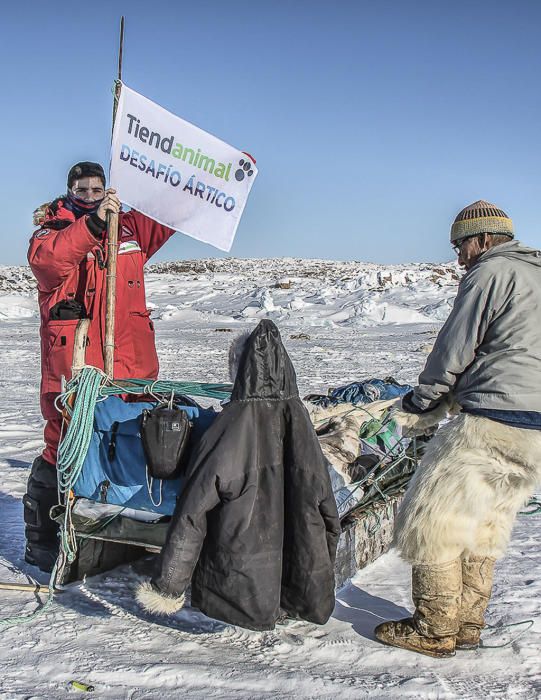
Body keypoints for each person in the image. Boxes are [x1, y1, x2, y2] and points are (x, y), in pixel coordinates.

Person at [374, 200, 541, 657]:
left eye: (460, 245)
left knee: (434, 519)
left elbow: (455, 346)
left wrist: (423, 402)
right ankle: (468, 623)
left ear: (483, 239)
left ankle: (434, 628)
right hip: (534, 430)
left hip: (490, 420)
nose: (458, 257)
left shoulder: (489, 274)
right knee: (487, 520)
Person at [24, 161, 176, 572]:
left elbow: (170, 212)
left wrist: (206, 181)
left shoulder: (129, 228)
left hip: (130, 354)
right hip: (77, 353)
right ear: (71, 190)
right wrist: (92, 224)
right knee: (66, 439)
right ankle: (46, 540)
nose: (91, 195)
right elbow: (49, 264)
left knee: (130, 432)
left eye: (98, 189)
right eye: (83, 189)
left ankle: (124, 527)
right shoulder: (52, 230)